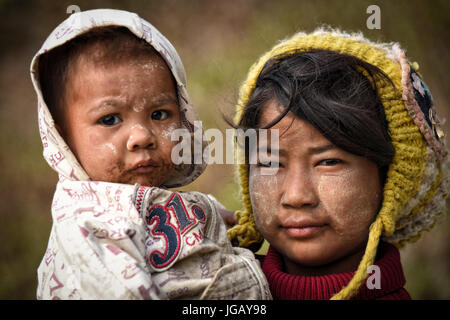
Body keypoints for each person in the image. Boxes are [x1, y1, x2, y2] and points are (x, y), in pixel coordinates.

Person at [31, 9, 270, 300]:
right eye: (110, 119)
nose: (142, 136)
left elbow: (160, 212)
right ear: (63, 136)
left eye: (159, 114)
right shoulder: (88, 226)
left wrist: (212, 213)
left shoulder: (135, 198)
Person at [227, 28, 449, 300]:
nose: (297, 196)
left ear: (390, 179)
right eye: (270, 162)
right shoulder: (213, 288)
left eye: (329, 162)